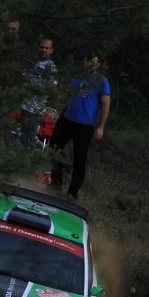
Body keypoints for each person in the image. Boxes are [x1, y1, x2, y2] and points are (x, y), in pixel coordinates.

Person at [47, 52, 111, 199]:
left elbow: (105, 105)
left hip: (84, 125)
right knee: (53, 149)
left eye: (94, 62)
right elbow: (68, 97)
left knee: (80, 159)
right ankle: (56, 182)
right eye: (89, 61)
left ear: (98, 64)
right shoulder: (77, 77)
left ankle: (73, 192)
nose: (91, 65)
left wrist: (100, 126)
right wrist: (59, 113)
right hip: (67, 119)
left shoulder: (102, 81)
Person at [19, 37, 58, 146]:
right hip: (24, 105)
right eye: (42, 47)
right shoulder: (32, 62)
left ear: (51, 50)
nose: (44, 50)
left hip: (36, 109)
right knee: (21, 137)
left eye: (46, 48)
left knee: (29, 139)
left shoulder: (51, 68)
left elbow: (53, 90)